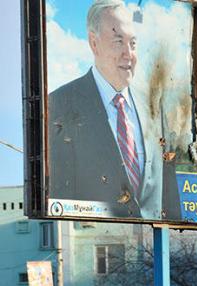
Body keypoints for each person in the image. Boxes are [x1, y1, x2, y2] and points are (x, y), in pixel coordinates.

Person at [48, 0, 180, 220]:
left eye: (133, 43)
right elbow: (59, 198)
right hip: (97, 246)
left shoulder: (154, 107)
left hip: (155, 249)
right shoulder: (60, 105)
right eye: (118, 41)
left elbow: (169, 198)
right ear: (94, 43)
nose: (128, 54)